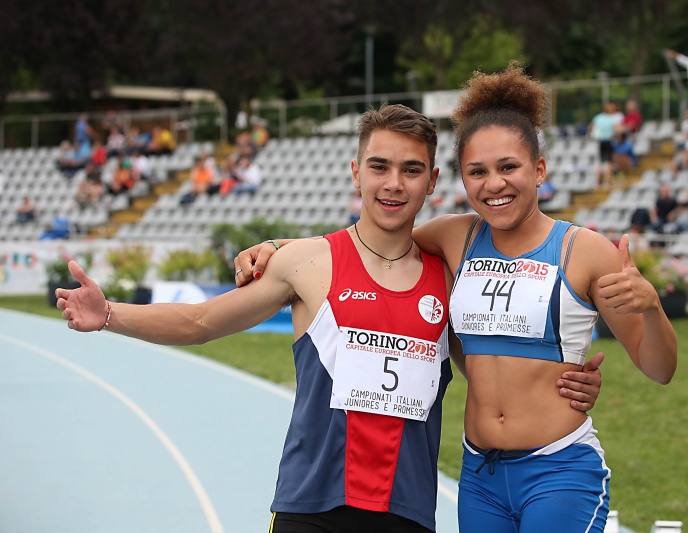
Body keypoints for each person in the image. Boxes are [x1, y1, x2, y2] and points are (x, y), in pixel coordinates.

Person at [54, 103, 602, 533]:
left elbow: (493, 363)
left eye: (411, 170)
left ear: (432, 181)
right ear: (356, 172)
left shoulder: (448, 277)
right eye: (379, 166)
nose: (393, 183)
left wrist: (569, 380)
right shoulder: (308, 262)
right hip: (311, 507)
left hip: (407, 511)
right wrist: (111, 315)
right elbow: (201, 322)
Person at [237, 64, 676, 533]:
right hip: (481, 477)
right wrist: (282, 248)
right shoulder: (454, 236)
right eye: (477, 172)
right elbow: (369, 243)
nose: (494, 184)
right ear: (462, 179)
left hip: (558, 468)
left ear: (539, 169)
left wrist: (651, 307)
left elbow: (660, 369)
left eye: (508, 167)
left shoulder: (586, 251)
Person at [588, 102, 621, 189]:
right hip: (608, 141)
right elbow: (618, 129)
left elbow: (591, 128)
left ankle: (597, 182)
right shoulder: (611, 119)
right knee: (608, 163)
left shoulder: (598, 117)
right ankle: (606, 182)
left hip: (599, 142)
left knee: (600, 162)